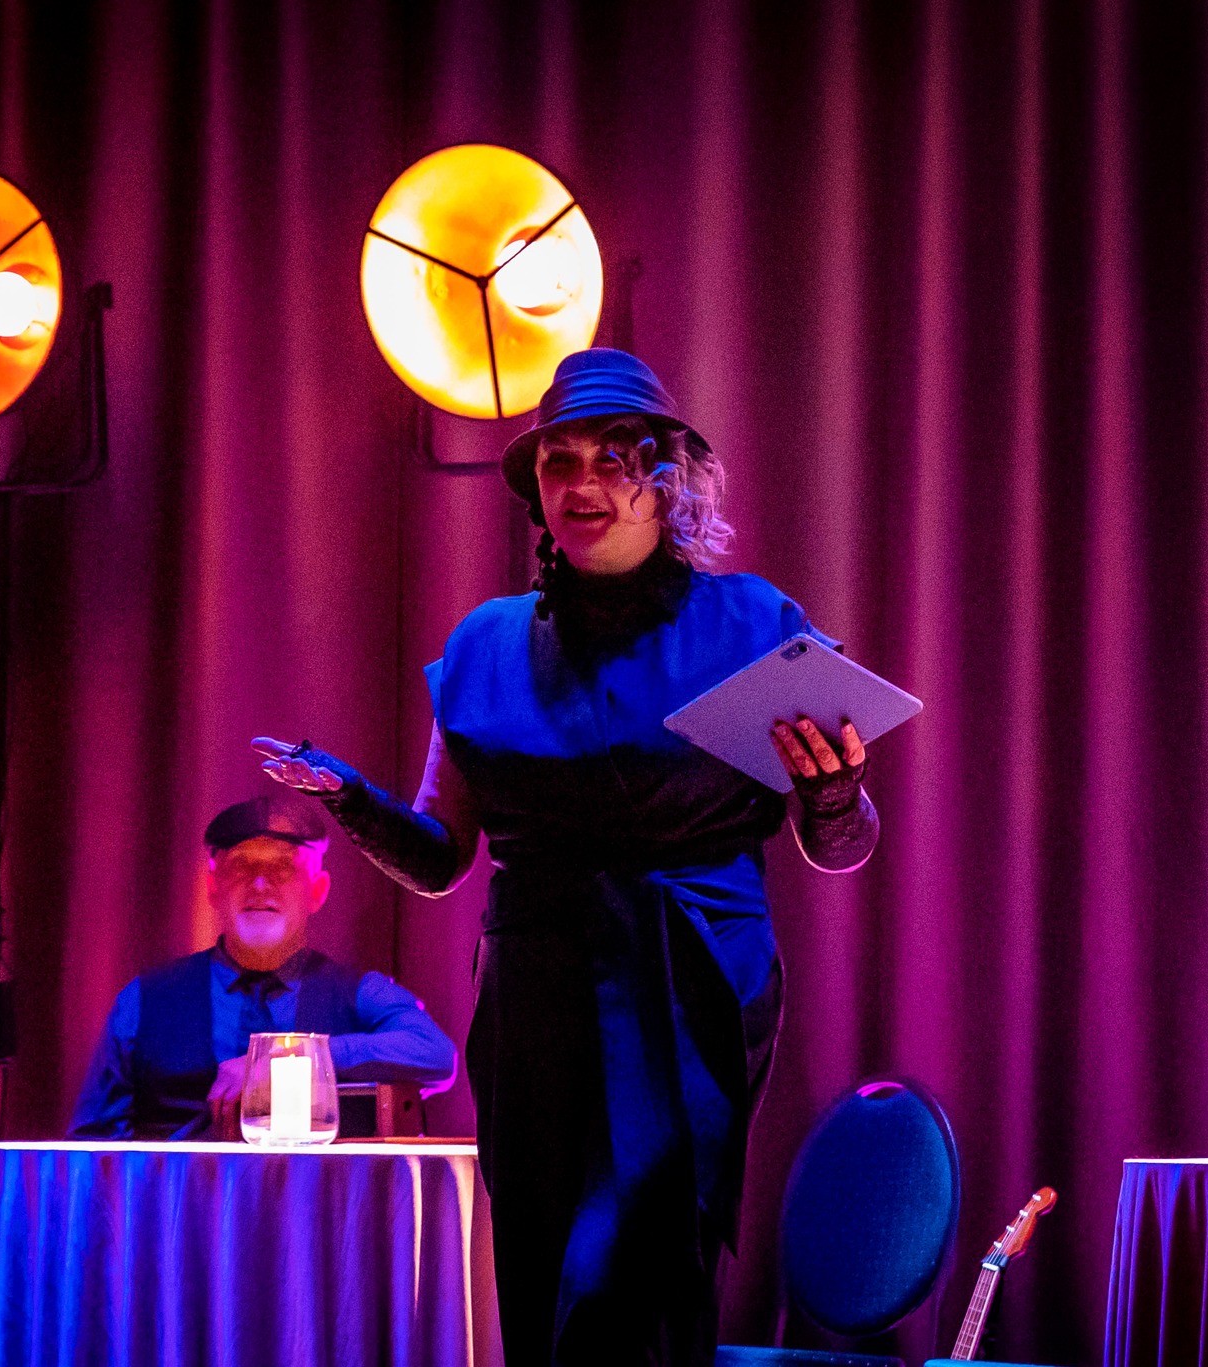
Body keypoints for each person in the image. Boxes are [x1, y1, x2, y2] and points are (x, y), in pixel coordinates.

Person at [253, 348, 880, 1367]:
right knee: (543, 1263)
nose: (583, 482)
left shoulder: (754, 624)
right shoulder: (488, 642)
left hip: (690, 983)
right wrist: (348, 798)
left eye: (612, 459)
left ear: (665, 480)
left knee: (640, 1270)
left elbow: (839, 845)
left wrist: (832, 790)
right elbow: (440, 857)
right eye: (560, 461)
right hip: (537, 991)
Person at [70, 794, 457, 1139]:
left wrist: (292, 1061)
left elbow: (436, 1054)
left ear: (317, 891)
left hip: (317, 1199)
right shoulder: (144, 1000)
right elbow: (94, 1149)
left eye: (282, 869)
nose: (259, 885)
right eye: (242, 867)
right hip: (178, 1198)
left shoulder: (359, 992)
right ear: (213, 887)